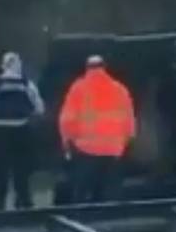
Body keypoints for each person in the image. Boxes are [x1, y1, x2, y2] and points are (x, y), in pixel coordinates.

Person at [58, 55, 136, 203]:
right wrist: (126, 142)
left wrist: (67, 142)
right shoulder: (119, 89)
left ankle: (82, 219)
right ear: (104, 67)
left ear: (87, 68)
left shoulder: (78, 88)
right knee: (111, 193)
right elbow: (129, 119)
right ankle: (111, 222)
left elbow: (67, 119)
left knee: (82, 192)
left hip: (86, 149)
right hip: (113, 150)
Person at [0, 52, 45, 210]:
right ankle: (24, 200)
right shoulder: (27, 84)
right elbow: (39, 108)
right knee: (21, 168)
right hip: (21, 130)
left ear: (3, 65)